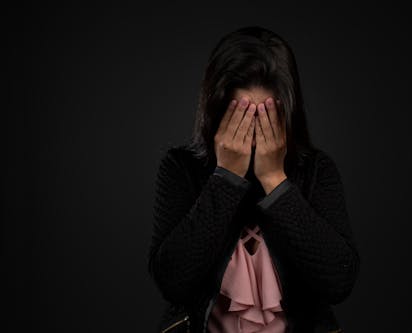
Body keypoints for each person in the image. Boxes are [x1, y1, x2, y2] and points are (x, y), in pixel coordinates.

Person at [148, 26, 360, 333]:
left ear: (286, 114)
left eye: (265, 117)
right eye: (241, 116)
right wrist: (226, 178)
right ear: (217, 112)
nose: (252, 131)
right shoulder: (182, 168)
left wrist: (276, 181)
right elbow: (173, 282)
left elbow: (338, 282)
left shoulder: (316, 171)